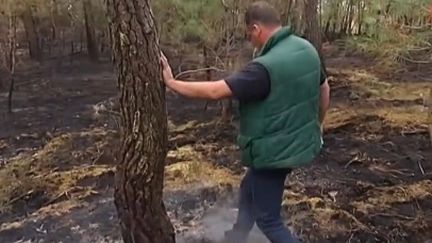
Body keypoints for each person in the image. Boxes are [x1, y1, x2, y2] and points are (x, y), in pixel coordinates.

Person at [160, 1, 330, 242]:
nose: (250, 40)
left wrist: (172, 83)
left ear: (256, 28)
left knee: (269, 221)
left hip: (274, 153)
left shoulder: (263, 69)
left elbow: (215, 92)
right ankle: (237, 236)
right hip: (297, 143)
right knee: (248, 186)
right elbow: (324, 89)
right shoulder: (306, 49)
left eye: (249, 34)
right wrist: (318, 125)